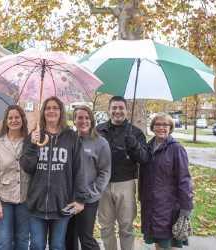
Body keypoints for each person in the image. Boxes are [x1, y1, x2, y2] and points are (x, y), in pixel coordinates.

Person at [19, 96, 87, 250]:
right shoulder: (35, 136)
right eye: (48, 108)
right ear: (43, 112)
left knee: (57, 246)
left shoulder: (71, 137)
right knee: (37, 245)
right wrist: (32, 144)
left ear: (61, 112)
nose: (51, 111)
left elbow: (79, 169)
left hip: (62, 203)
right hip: (37, 201)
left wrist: (80, 199)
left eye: (55, 108)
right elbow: (27, 167)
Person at [96, 96, 149, 250]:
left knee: (126, 227)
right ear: (109, 110)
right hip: (103, 184)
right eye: (114, 108)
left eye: (121, 108)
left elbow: (144, 158)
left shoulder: (136, 132)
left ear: (126, 110)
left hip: (125, 183)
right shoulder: (99, 130)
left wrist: (134, 146)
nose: (117, 111)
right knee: (106, 227)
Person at [140, 113, 193, 249]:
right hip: (151, 205)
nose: (161, 128)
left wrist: (186, 207)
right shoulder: (147, 147)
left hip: (169, 207)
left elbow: (184, 179)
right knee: (158, 242)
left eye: (165, 125)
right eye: (158, 124)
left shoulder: (176, 149)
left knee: (168, 243)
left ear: (170, 128)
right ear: (152, 127)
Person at [66, 105, 111, 250]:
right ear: (74, 120)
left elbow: (105, 172)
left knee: (86, 238)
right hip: (68, 197)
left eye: (87, 118)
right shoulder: (69, 140)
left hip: (88, 198)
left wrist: (91, 193)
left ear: (92, 121)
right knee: (68, 236)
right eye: (79, 117)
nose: (83, 121)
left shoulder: (101, 143)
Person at [0, 105, 30, 250]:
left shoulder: (29, 142)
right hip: (3, 200)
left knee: (23, 241)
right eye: (10, 118)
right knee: (4, 242)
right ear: (6, 121)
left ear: (22, 120)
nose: (14, 120)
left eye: (17, 117)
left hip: (25, 200)